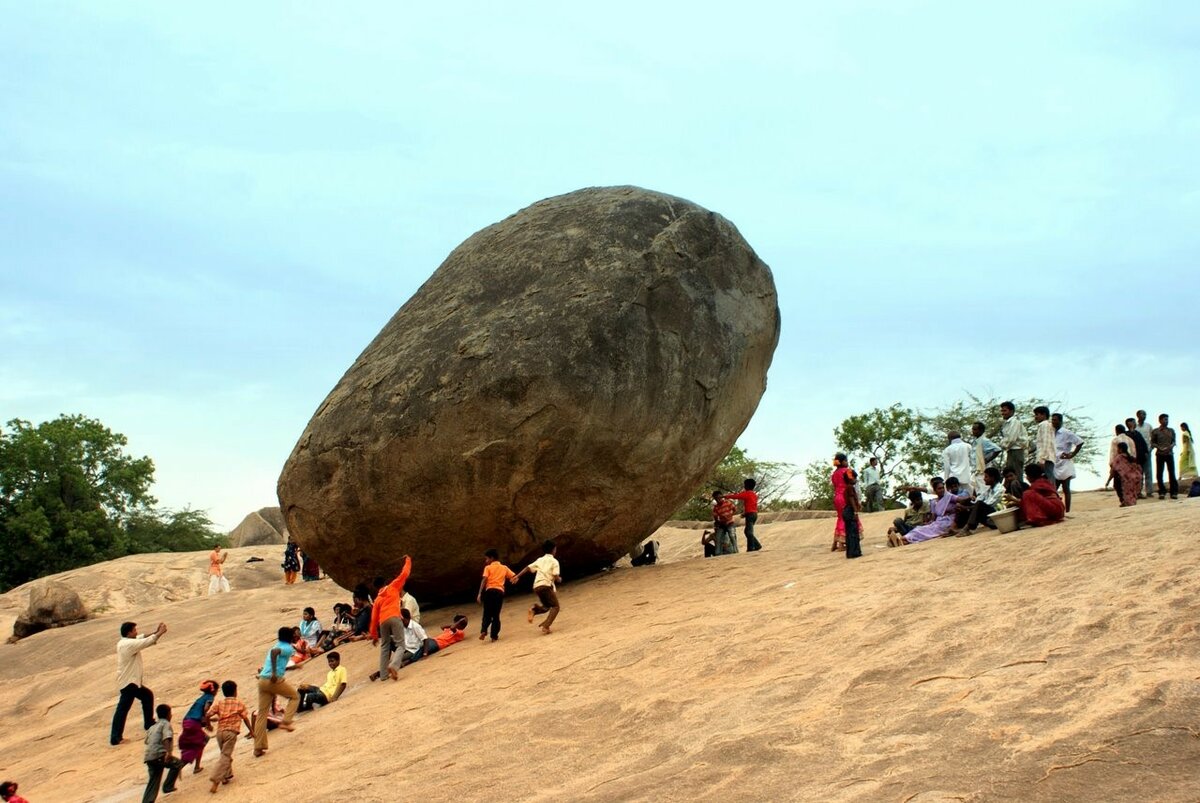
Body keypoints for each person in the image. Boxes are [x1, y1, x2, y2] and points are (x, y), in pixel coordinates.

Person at [111, 621, 168, 746]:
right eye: (134, 630)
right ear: (129, 632)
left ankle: (148, 723)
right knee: (123, 708)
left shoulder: (126, 642)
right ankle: (115, 737)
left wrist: (155, 631)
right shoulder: (127, 644)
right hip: (129, 682)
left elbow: (142, 638)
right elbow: (145, 642)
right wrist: (160, 633)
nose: (136, 632)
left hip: (131, 681)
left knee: (146, 696)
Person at [253, 626, 299, 757]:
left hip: (262, 680)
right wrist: (274, 673)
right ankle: (286, 722)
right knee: (294, 697)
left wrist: (295, 666)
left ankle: (258, 748)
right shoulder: (287, 648)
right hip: (273, 680)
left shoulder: (277, 644)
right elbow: (275, 653)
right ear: (290, 637)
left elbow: (280, 663)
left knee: (262, 714)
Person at [368, 555, 412, 682]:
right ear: (385, 583)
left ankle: (383, 675)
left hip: (383, 622)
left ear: (377, 588)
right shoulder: (393, 587)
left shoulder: (377, 600)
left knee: (384, 646)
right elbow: (405, 573)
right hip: (394, 616)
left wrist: (374, 635)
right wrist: (408, 560)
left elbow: (374, 618)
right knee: (400, 645)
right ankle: (393, 666)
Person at [206, 679, 251, 794]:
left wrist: (209, 725)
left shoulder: (220, 703)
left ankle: (226, 776)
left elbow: (208, 714)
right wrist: (252, 730)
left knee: (224, 754)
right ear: (235, 691)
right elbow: (245, 718)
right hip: (231, 732)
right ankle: (216, 781)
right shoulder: (239, 703)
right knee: (225, 756)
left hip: (220, 732)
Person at [887, 478, 956, 546]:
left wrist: (929, 522)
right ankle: (900, 539)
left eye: (920, 499)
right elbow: (905, 522)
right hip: (911, 527)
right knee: (898, 521)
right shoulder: (909, 510)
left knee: (920, 530)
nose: (919, 501)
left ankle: (900, 540)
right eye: (916, 500)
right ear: (912, 501)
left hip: (921, 525)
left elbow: (931, 516)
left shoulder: (927, 504)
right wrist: (896, 529)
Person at [515, 539, 562, 634]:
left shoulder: (540, 560)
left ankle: (534, 609)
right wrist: (559, 579)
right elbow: (556, 575)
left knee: (546, 606)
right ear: (554, 550)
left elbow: (528, 568)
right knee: (556, 607)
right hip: (545, 586)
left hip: (537, 586)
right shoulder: (554, 561)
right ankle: (546, 626)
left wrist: (517, 576)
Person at [142, 703, 184, 803]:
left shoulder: (152, 727)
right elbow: (166, 738)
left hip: (148, 757)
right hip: (159, 755)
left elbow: (147, 741)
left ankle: (147, 801)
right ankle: (168, 786)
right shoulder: (166, 724)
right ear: (168, 714)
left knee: (154, 780)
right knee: (177, 763)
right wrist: (169, 753)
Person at [477, 549, 517, 641]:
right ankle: (494, 636)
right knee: (496, 615)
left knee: (486, 613)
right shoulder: (504, 568)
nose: (486, 561)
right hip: (499, 592)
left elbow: (484, 580)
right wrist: (513, 581)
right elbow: (514, 577)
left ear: (491, 558)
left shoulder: (488, 568)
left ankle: (483, 630)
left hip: (489, 591)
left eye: (487, 559)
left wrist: (479, 593)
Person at [178, 679, 218, 774]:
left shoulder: (202, 698)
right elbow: (205, 709)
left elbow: (198, 714)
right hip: (193, 723)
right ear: (213, 690)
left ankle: (195, 765)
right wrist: (208, 724)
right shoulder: (210, 697)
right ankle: (182, 766)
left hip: (187, 722)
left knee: (200, 741)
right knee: (201, 742)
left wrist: (210, 720)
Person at [955, 467, 1006, 535]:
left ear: (992, 478)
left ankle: (967, 528)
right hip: (989, 517)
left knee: (978, 505)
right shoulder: (989, 490)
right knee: (968, 503)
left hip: (997, 519)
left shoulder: (1000, 489)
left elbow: (987, 504)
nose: (984, 479)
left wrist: (965, 508)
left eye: (986, 477)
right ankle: (961, 527)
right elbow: (978, 500)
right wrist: (968, 501)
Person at [1051, 413, 1084, 512]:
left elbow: (1079, 442)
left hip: (1064, 463)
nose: (1053, 422)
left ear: (1060, 421)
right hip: (1055, 462)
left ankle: (1068, 510)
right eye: (1052, 420)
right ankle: (1057, 508)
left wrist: (1072, 454)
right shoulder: (1050, 432)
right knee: (1054, 488)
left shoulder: (1066, 433)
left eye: (1055, 420)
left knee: (1066, 488)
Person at [387, 608, 429, 679]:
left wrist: (425, 654)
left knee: (398, 658)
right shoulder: (402, 626)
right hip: (404, 647)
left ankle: (392, 668)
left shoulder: (415, 626)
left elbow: (425, 639)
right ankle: (388, 662)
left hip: (412, 650)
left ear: (403, 618)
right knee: (389, 639)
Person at [723, 478, 763, 550]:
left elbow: (736, 496)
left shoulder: (747, 493)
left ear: (746, 486)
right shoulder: (754, 494)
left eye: (744, 485)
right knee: (747, 531)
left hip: (750, 515)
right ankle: (756, 545)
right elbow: (751, 505)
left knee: (749, 532)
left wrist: (726, 496)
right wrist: (745, 513)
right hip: (754, 514)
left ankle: (751, 548)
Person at [1150, 413, 1179, 499]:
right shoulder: (1155, 431)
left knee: (1172, 473)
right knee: (1159, 474)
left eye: (1167, 419)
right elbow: (1152, 443)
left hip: (1169, 454)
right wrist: (1159, 448)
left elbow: (1174, 441)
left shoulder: (1171, 430)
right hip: (1160, 454)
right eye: (1165, 419)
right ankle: (1162, 491)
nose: (1166, 421)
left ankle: (1173, 492)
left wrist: (1170, 447)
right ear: (1160, 420)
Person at [829, 454, 855, 551]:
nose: (847, 463)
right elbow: (852, 481)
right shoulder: (847, 471)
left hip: (837, 497)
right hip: (845, 496)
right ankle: (842, 544)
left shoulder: (834, 473)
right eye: (846, 461)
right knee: (847, 518)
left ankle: (836, 541)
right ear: (843, 461)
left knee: (840, 518)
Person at [969, 422, 1001, 493]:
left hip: (983, 470)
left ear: (981, 431)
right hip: (976, 470)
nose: (973, 431)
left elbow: (997, 449)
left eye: (975, 429)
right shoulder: (975, 441)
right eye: (973, 429)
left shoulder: (984, 440)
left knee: (984, 490)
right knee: (978, 491)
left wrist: (987, 460)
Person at [1106, 424, 1137, 497]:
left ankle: (1123, 499)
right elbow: (1134, 453)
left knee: (1117, 485)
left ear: (1116, 431)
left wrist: (1111, 465)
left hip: (1119, 466)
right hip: (1129, 465)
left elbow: (1113, 453)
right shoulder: (1130, 440)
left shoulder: (1115, 440)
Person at [1124, 417, 1151, 497]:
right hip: (1132, 459)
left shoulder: (1138, 433)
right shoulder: (1127, 434)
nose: (1135, 424)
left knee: (1140, 475)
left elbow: (1143, 444)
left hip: (1141, 458)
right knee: (1132, 476)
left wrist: (1146, 452)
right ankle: (1133, 492)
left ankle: (1139, 492)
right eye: (1133, 422)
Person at [998, 401, 1026, 476]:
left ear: (1011, 411)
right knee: (1010, 474)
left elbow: (1011, 439)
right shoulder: (1006, 423)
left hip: (1016, 451)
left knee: (1016, 474)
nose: (1003, 413)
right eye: (1002, 411)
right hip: (1011, 451)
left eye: (1005, 411)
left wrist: (1002, 444)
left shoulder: (1015, 422)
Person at [1111, 442, 1142, 507]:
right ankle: (1131, 501)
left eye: (1118, 449)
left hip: (1124, 478)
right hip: (1133, 477)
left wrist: (1108, 481)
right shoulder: (1130, 457)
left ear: (1121, 449)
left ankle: (1124, 501)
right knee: (1131, 490)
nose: (1117, 450)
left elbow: (1114, 469)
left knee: (1117, 486)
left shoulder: (1119, 458)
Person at [1032, 406, 1056, 481]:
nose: (1035, 417)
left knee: (1048, 479)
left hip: (1046, 458)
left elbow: (1046, 443)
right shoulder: (1045, 425)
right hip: (1046, 457)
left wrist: (1042, 459)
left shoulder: (1045, 425)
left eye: (1037, 414)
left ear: (1044, 415)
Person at [842, 471, 862, 559]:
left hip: (848, 511)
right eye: (854, 478)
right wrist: (855, 511)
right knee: (853, 532)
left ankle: (851, 552)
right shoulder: (850, 487)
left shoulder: (848, 487)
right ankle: (854, 552)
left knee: (850, 532)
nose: (856, 480)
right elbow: (851, 500)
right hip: (850, 511)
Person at [1135, 409, 1155, 497]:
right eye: (1143, 414)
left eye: (1145, 414)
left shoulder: (1148, 426)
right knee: (1138, 472)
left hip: (1147, 451)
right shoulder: (1135, 427)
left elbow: (1153, 437)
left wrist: (1151, 448)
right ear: (1138, 415)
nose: (1144, 416)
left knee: (1148, 471)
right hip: (1137, 452)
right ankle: (1138, 491)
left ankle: (1149, 491)